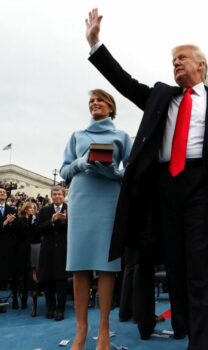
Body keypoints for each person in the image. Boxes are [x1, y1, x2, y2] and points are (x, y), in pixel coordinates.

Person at [85, 8, 208, 350]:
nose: (175, 64)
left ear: (201, 65)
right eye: (172, 60)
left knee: (202, 268)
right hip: (163, 188)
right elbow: (125, 83)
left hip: (203, 186)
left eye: (182, 58)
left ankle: (202, 344)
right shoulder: (162, 96)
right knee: (175, 266)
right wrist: (95, 44)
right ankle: (183, 323)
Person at [60, 89, 132, 350]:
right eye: (91, 101)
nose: (95, 104)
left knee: (107, 265)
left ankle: (103, 327)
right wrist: (80, 163)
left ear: (111, 107)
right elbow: (65, 170)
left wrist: (111, 171)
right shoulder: (77, 136)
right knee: (79, 265)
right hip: (81, 200)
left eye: (100, 100)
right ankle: (81, 328)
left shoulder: (122, 136)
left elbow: (131, 173)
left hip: (108, 202)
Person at [37, 186, 68, 322]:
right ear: (51, 196)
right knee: (48, 279)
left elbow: (76, 228)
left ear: (63, 195)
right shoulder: (44, 210)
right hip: (48, 250)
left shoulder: (70, 209)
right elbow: (38, 229)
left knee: (61, 280)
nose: (57, 196)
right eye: (54, 194)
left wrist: (65, 220)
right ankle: (50, 308)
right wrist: (51, 220)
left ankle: (60, 309)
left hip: (64, 249)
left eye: (59, 194)